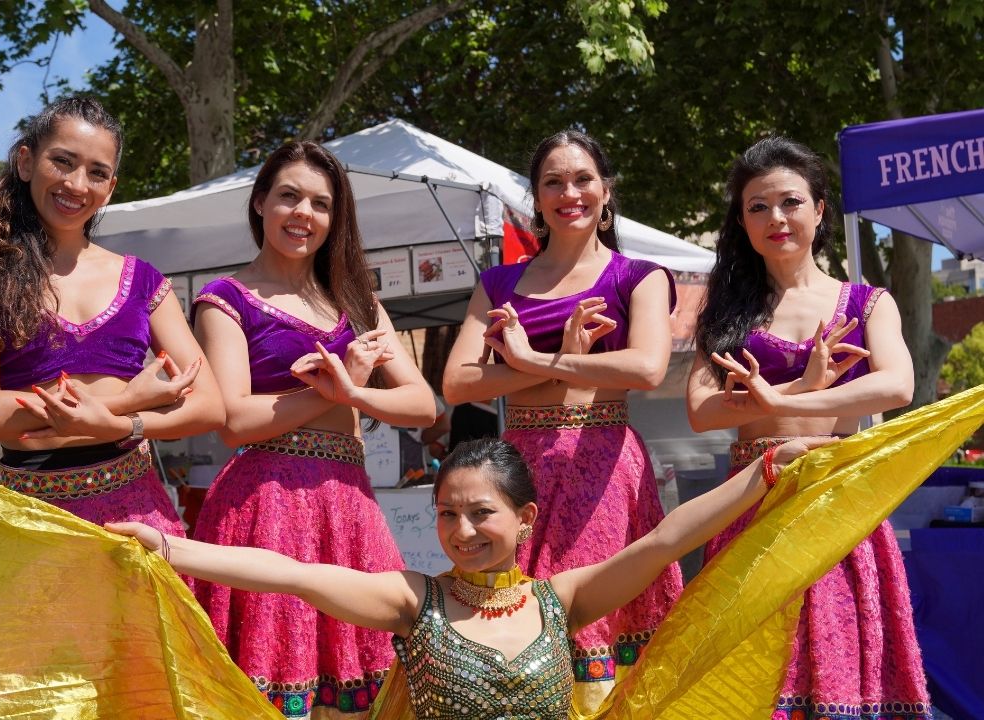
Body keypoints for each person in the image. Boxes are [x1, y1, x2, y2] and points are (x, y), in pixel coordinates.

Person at [106, 436, 825, 720]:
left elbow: (668, 538)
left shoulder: (562, 599)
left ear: (525, 519)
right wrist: (169, 548)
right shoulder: (414, 601)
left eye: (481, 513)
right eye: (446, 513)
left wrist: (765, 474)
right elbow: (292, 574)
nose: (461, 531)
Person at [190, 141, 436, 718]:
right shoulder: (224, 300)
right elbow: (233, 420)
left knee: (364, 680)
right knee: (270, 682)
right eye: (289, 196)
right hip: (264, 504)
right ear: (259, 204)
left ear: (335, 218)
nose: (304, 213)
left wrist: (350, 392)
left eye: (321, 204)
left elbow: (422, 404)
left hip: (350, 508)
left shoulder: (357, 298)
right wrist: (323, 392)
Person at [686, 136, 930, 720]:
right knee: (751, 662)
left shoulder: (868, 303)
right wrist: (795, 391)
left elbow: (898, 385)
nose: (776, 218)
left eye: (791, 202)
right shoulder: (723, 310)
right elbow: (700, 411)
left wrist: (803, 398)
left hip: (833, 494)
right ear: (742, 222)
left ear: (820, 209)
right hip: (748, 500)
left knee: (838, 649)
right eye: (758, 207)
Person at [442, 130, 682, 711]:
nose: (569, 192)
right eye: (553, 182)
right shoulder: (500, 282)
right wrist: (547, 368)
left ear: (606, 191)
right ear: (536, 196)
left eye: (582, 180)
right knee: (517, 609)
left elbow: (647, 367)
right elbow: (457, 383)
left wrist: (531, 360)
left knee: (597, 617)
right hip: (516, 470)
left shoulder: (638, 276)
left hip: (601, 462)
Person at [0, 96, 224, 538]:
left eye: (97, 172)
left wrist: (127, 426)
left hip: (138, 516)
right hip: (31, 521)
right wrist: (128, 400)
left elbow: (209, 406)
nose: (76, 183)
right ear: (26, 162)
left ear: (111, 187)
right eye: (62, 161)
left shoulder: (144, 281)